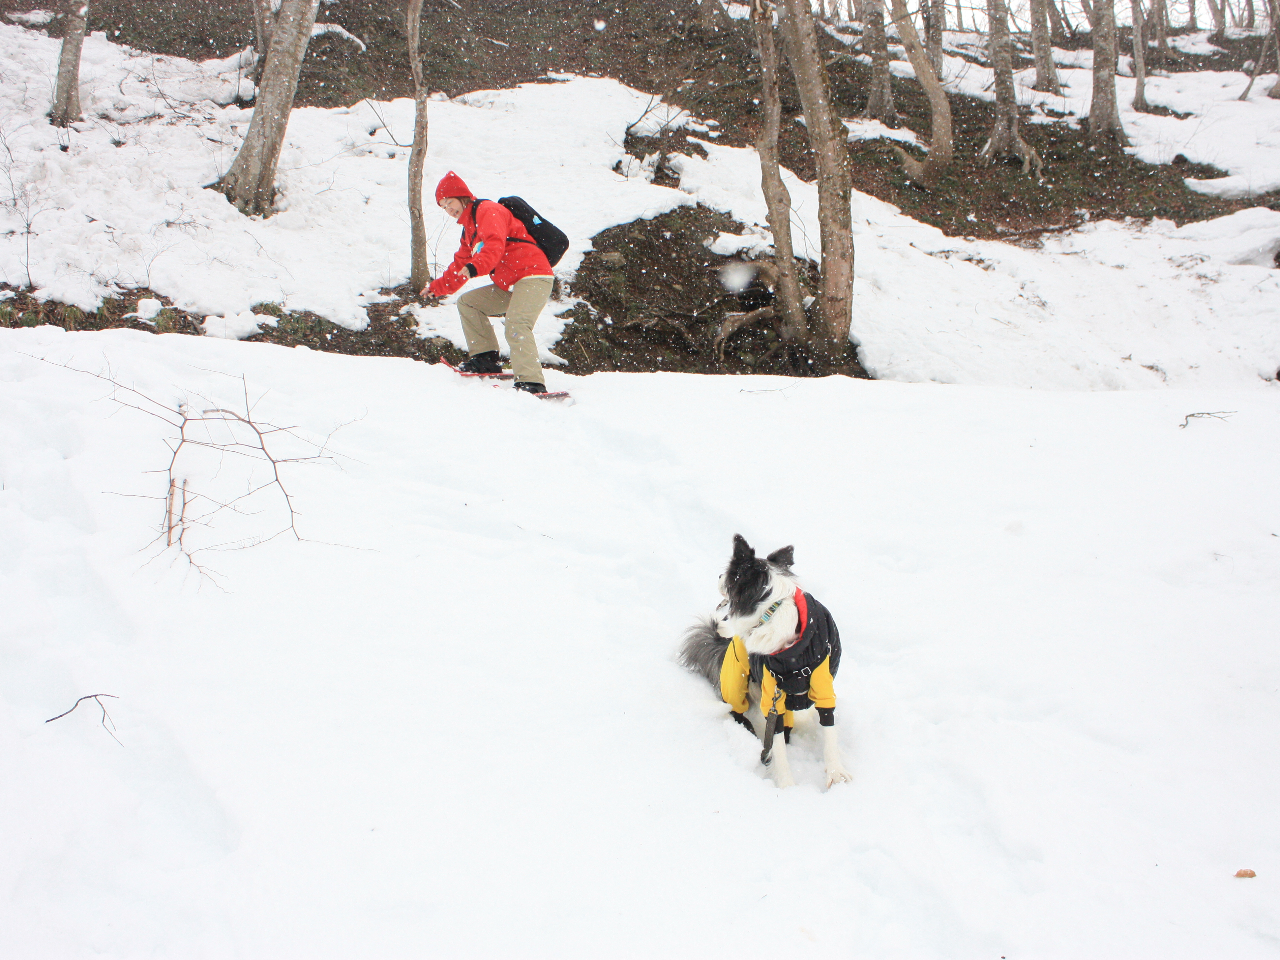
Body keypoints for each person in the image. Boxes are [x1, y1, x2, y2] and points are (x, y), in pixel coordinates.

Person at [424, 171, 554, 394]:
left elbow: (495, 245)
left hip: (533, 275)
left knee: (517, 323)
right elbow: (459, 265)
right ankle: (485, 359)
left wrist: (476, 266)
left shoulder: (488, 211)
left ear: (462, 196)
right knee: (469, 303)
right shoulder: (469, 231)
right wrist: (437, 288)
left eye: (450, 202)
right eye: (443, 206)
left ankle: (531, 382)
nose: (448, 209)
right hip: (511, 282)